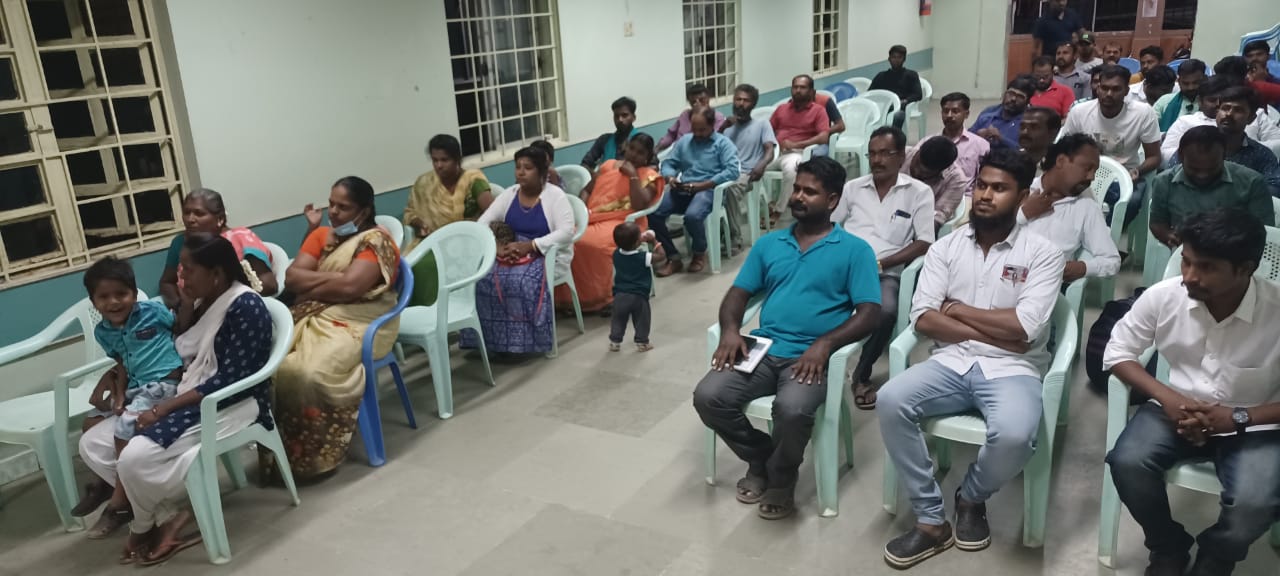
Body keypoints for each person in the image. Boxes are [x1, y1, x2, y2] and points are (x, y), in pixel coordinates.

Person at [877, 149, 1065, 568]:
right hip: (950, 360)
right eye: (981, 185)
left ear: (1022, 196)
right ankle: (931, 519)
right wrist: (995, 333)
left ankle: (971, 496)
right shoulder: (945, 248)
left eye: (999, 188)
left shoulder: (1043, 253)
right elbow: (924, 318)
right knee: (890, 400)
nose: (985, 195)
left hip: (1013, 369)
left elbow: (1024, 327)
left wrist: (958, 310)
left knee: (1015, 435)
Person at [693, 156, 881, 521]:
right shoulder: (770, 244)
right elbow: (738, 294)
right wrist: (730, 330)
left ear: (832, 200)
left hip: (812, 357)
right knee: (709, 396)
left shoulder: (855, 250)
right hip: (763, 349)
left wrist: (825, 344)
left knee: (792, 409)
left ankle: (780, 480)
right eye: (797, 189)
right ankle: (761, 458)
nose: (798, 197)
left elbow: (870, 313)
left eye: (810, 192)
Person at [1104, 208, 1280, 576]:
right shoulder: (1165, 296)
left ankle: (1217, 556)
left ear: (1245, 269)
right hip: (1174, 407)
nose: (1189, 276)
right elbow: (1118, 352)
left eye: (1206, 267)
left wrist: (1237, 417)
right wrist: (1170, 399)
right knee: (1127, 463)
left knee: (1255, 502)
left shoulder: (1276, 312)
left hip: (1254, 419)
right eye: (1186, 261)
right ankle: (1167, 547)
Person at [79, 233, 274, 565]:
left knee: (133, 458)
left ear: (216, 273)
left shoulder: (245, 306)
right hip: (185, 390)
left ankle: (142, 526)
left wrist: (162, 408)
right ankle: (169, 514)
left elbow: (232, 380)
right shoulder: (198, 304)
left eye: (188, 269)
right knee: (93, 444)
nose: (179, 276)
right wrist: (115, 379)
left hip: (228, 402)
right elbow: (160, 351)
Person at [268, 176, 402, 482]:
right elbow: (292, 278)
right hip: (316, 315)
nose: (334, 212)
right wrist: (336, 280)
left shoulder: (376, 241)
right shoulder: (321, 236)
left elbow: (351, 288)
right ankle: (286, 455)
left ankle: (317, 456)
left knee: (308, 373)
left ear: (364, 211)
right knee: (274, 367)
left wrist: (317, 285)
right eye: (331, 204)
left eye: (343, 207)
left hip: (362, 321)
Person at [70, 257, 185, 540]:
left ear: (134, 294)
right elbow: (122, 362)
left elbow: (180, 331)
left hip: (163, 385)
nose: (113, 302)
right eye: (104, 297)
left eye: (121, 294)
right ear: (93, 302)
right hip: (135, 387)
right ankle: (107, 484)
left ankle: (120, 502)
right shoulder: (104, 332)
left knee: (122, 430)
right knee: (91, 422)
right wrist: (119, 396)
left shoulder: (153, 312)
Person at [831, 127, 934, 409]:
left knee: (885, 310)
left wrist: (881, 263)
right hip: (843, 267)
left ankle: (861, 373)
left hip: (884, 272)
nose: (877, 160)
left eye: (885, 153)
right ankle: (816, 364)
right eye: (872, 154)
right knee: (808, 299)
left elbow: (924, 241)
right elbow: (830, 225)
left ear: (901, 156)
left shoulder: (918, 192)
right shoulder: (853, 188)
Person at [465, 147, 575, 355]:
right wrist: (498, 248)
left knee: (521, 281)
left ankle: (526, 343)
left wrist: (531, 246)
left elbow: (567, 232)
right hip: (511, 251)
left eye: (528, 168)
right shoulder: (510, 194)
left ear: (541, 172)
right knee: (481, 279)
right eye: (518, 167)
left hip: (545, 255)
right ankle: (492, 341)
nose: (521, 172)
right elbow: (482, 223)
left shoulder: (555, 196)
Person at [562, 133, 663, 314]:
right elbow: (587, 190)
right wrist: (581, 211)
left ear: (647, 157)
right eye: (632, 149)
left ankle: (604, 297)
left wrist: (633, 176)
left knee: (597, 245)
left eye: (640, 153)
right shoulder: (608, 166)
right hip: (593, 218)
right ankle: (573, 299)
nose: (634, 155)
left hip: (627, 223)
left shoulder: (649, 176)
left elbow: (640, 204)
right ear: (626, 147)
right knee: (568, 239)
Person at [1060, 64, 1162, 226]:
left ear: (1127, 91)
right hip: (1084, 174)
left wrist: (1137, 171)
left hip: (1126, 175)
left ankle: (1102, 234)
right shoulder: (1080, 112)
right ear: (1098, 88)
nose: (1109, 94)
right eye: (1104, 88)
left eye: (1116, 89)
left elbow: (1154, 157)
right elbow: (1064, 149)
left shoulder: (1143, 113)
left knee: (1131, 201)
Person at [403, 134, 494, 305]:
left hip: (466, 242)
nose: (439, 165)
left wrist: (472, 228)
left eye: (444, 160)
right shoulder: (425, 183)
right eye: (435, 160)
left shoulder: (473, 180)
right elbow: (411, 212)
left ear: (457, 159)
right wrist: (420, 224)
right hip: (432, 240)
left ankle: (439, 312)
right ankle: (417, 314)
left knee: (426, 266)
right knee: (408, 265)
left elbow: (492, 212)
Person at [1149, 126, 1274, 249]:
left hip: (1236, 253)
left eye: (1212, 168)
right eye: (1194, 169)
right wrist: (1170, 236)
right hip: (1185, 250)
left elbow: (1264, 232)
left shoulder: (1252, 182)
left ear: (1224, 156)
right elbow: (1157, 223)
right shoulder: (1164, 182)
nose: (1202, 175)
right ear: (1181, 157)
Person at [1018, 134, 1120, 284]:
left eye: (1095, 171)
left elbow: (1112, 261)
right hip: (1004, 276)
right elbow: (987, 236)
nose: (1091, 177)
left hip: (1047, 283)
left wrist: (1084, 268)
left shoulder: (1086, 207)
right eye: (1087, 168)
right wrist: (1024, 214)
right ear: (1061, 161)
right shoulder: (1021, 190)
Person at [652, 107, 741, 276]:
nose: (698, 134)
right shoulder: (685, 141)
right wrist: (670, 178)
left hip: (709, 190)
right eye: (694, 129)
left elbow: (732, 171)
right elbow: (669, 163)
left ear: (712, 126)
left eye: (702, 130)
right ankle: (673, 257)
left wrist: (704, 185)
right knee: (653, 213)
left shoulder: (723, 144)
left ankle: (699, 252)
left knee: (692, 216)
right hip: (684, 189)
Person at [158, 189, 277, 307]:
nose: (190, 219)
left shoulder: (240, 238)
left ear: (220, 219)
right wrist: (182, 306)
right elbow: (167, 282)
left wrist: (220, 303)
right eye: (186, 212)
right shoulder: (181, 242)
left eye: (199, 214)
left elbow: (269, 285)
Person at [719, 83, 777, 251]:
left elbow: (770, 150)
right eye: (738, 99)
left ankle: (734, 237)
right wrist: (722, 128)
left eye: (746, 100)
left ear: (753, 104)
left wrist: (761, 165)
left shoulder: (762, 125)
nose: (741, 104)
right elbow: (712, 147)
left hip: (747, 173)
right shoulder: (726, 127)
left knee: (730, 190)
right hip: (724, 171)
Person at [767, 75, 830, 225]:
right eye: (795, 87)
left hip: (797, 153)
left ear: (811, 91)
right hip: (776, 152)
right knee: (751, 167)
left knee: (791, 169)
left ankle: (779, 210)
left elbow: (823, 137)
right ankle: (767, 204)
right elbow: (767, 130)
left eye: (802, 87)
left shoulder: (818, 111)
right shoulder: (781, 109)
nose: (798, 90)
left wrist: (797, 144)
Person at [1213, 86, 1280, 196]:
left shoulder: (1261, 154)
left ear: (1251, 118)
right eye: (1225, 108)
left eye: (1238, 110)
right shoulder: (1197, 146)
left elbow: (1274, 189)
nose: (1229, 114)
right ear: (1217, 112)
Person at [607, 221, 654, 352]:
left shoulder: (616, 254)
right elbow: (661, 256)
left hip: (620, 295)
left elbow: (626, 246)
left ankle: (615, 342)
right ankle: (642, 342)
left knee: (618, 319)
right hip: (639, 296)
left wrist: (637, 241)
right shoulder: (642, 257)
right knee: (642, 319)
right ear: (637, 242)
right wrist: (654, 241)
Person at [930, 92, 990, 191]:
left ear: (966, 114)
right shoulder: (929, 143)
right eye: (945, 111)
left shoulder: (980, 145)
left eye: (955, 111)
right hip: (935, 194)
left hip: (966, 196)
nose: (949, 115)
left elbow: (984, 179)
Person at [902, 135, 966, 227]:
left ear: (941, 170)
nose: (917, 172)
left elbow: (937, 219)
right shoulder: (900, 155)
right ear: (919, 150)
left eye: (925, 173)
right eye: (916, 163)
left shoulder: (956, 180)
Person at [970, 75, 1036, 150]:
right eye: (1011, 93)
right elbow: (967, 137)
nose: (1013, 99)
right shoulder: (989, 112)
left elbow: (1027, 151)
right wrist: (976, 136)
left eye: (1020, 96)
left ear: (1027, 101)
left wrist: (1001, 139)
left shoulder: (1030, 121)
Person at [657, 84, 726, 151]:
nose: (698, 104)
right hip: (676, 151)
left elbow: (712, 141)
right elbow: (671, 134)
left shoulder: (717, 117)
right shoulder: (685, 115)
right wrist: (658, 147)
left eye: (701, 100)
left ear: (708, 98)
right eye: (693, 102)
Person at [869, 45, 923, 129]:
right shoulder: (881, 76)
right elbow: (870, 93)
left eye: (899, 57)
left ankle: (893, 136)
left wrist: (905, 101)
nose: (896, 60)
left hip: (900, 108)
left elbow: (918, 94)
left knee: (898, 116)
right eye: (894, 57)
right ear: (889, 59)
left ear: (904, 59)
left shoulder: (911, 75)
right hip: (882, 108)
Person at [581, 97, 640, 172]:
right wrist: (595, 176)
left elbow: (652, 168)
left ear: (634, 117)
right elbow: (585, 164)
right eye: (616, 116)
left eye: (624, 115)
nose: (620, 120)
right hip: (604, 178)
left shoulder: (642, 142)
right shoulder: (604, 140)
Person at [1154, 59, 1207, 131]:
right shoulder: (1165, 101)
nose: (1190, 88)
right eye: (1185, 83)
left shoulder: (1212, 104)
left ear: (1204, 79)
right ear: (1178, 81)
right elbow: (1149, 128)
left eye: (1195, 83)